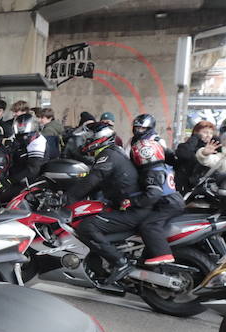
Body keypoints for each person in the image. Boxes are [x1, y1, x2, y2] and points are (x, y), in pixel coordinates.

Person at [63, 123, 143, 290]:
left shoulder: (108, 155)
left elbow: (93, 179)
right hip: (125, 205)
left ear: (99, 138)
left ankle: (120, 262)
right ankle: (100, 267)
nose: (86, 140)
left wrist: (68, 198)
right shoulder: (111, 152)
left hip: (132, 209)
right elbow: (97, 182)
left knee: (86, 226)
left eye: (89, 137)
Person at [124, 113, 185, 269]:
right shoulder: (134, 143)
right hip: (168, 196)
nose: (138, 130)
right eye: (136, 127)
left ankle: (162, 253)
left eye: (142, 128)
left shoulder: (156, 147)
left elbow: (154, 193)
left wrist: (134, 202)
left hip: (166, 199)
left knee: (149, 225)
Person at [0, 112, 46, 200]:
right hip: (17, 177)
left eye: (25, 135)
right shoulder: (22, 140)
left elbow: (33, 169)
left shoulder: (38, 143)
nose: (23, 138)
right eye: (20, 135)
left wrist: (10, 180)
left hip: (29, 182)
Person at [174, 120, 217, 190]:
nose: (208, 135)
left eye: (211, 133)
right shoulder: (186, 146)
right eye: (205, 132)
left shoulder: (213, 149)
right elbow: (185, 154)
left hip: (202, 186)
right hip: (184, 185)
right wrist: (195, 137)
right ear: (196, 133)